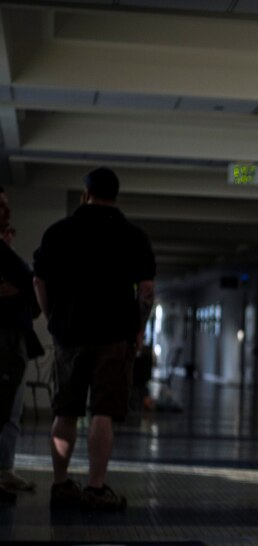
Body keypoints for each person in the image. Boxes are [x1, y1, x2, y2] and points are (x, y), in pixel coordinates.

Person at [33, 167, 156, 511]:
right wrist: (138, 326)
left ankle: (61, 485)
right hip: (114, 337)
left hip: (69, 335)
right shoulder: (133, 236)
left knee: (66, 410)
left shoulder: (58, 232)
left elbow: (38, 281)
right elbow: (146, 290)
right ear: (116, 196)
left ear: (84, 194)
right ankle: (96, 488)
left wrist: (51, 318)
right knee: (103, 412)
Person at [0, 189, 41, 500]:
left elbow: (30, 290)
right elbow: (31, 283)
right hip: (5, 340)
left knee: (11, 411)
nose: (6, 211)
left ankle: (5, 469)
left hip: (14, 340)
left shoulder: (6, 250)